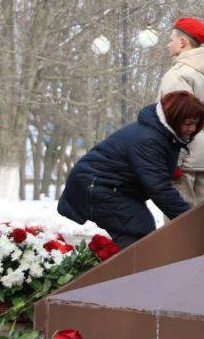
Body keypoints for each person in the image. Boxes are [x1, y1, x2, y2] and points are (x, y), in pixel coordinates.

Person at [58, 92, 204, 247]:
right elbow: (160, 188)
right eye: (187, 123)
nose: (192, 128)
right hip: (96, 186)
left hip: (108, 186)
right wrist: (193, 222)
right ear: (173, 118)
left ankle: (128, 267)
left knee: (139, 231)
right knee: (137, 231)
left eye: (196, 123)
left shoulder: (164, 135)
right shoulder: (150, 139)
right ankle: (128, 269)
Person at [159, 17, 204, 206]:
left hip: (185, 164)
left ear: (183, 42)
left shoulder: (178, 74)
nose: (168, 44)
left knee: (179, 230)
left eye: (171, 39)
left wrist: (174, 161)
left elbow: (179, 121)